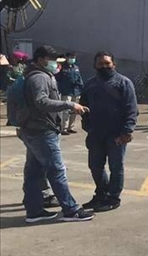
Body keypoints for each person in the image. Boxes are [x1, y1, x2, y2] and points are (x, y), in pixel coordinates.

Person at [18, 45, 93, 223]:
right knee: (56, 170)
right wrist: (69, 105)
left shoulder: (36, 74)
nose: (55, 63)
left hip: (33, 129)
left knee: (34, 171)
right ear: (41, 60)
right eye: (51, 60)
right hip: (42, 131)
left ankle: (34, 211)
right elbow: (41, 101)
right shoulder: (39, 77)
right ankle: (71, 210)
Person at [79, 51, 138, 212]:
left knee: (116, 167)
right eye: (100, 64)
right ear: (95, 65)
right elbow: (84, 106)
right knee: (95, 166)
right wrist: (87, 125)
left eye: (107, 63)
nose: (104, 66)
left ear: (114, 64)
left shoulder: (123, 83)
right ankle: (101, 194)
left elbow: (131, 109)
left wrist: (126, 131)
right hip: (95, 133)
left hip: (116, 134)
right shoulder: (90, 84)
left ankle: (113, 198)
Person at [56, 52, 84, 135]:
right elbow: (58, 79)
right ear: (67, 58)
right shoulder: (62, 67)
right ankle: (63, 128)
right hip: (66, 91)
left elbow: (79, 79)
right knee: (65, 110)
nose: (72, 59)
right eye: (71, 57)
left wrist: (82, 88)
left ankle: (70, 127)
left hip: (76, 91)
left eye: (74, 57)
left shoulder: (76, 67)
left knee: (74, 111)